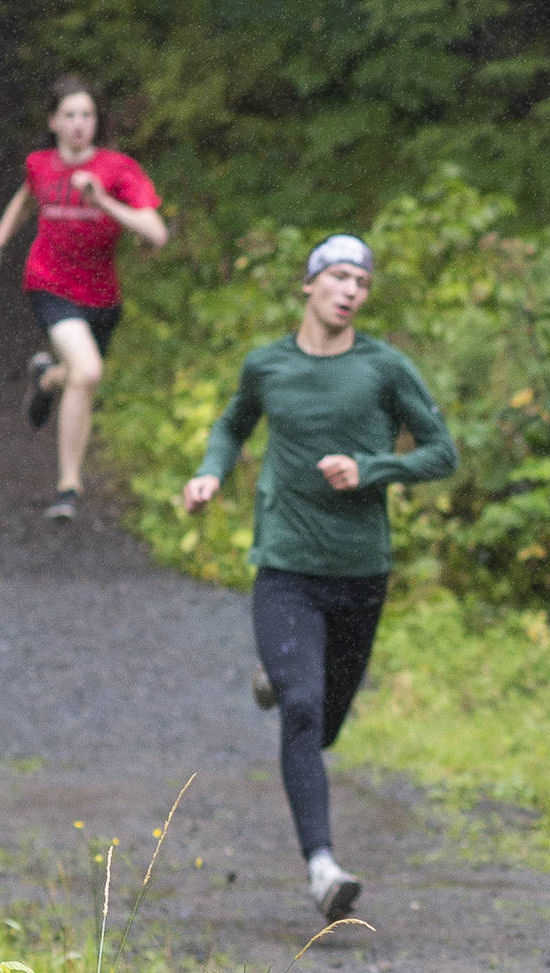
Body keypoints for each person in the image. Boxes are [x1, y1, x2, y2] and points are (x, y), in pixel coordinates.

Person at [181, 235, 457, 920]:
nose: (350, 291)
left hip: (360, 570)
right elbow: (232, 424)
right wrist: (212, 470)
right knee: (302, 711)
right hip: (286, 565)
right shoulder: (267, 365)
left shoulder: (384, 369)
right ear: (309, 286)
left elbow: (441, 453)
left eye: (360, 282)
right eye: (337, 277)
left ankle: (281, 673)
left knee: (323, 726)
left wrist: (373, 468)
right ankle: (323, 868)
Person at [0, 75, 167, 521]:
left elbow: (157, 233)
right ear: (53, 122)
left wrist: (103, 202)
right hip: (49, 285)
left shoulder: (119, 170)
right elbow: (23, 201)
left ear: (97, 122)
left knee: (77, 375)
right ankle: (69, 487)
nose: (79, 124)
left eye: (88, 115)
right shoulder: (39, 164)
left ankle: (45, 379)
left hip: (102, 297)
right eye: (70, 115)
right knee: (90, 371)